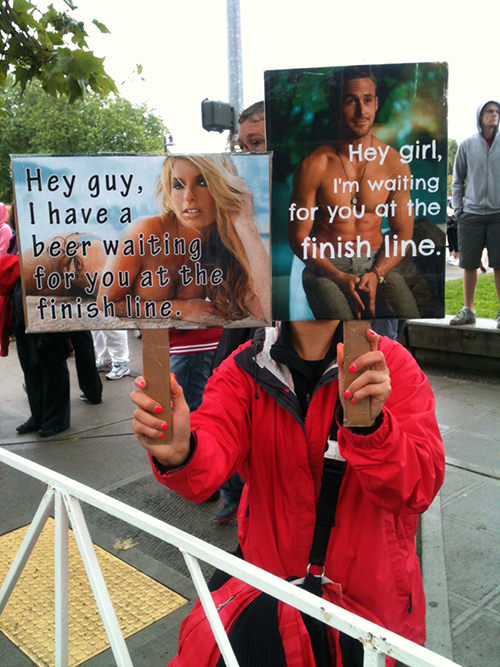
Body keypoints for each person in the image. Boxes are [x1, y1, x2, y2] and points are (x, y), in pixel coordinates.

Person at [130, 320, 444, 665]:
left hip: (370, 608)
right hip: (272, 600)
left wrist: (374, 430)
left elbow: (419, 487)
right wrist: (182, 451)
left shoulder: (391, 365)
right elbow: (209, 457)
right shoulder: (244, 368)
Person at [289, 67, 419, 322]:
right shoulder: (315, 165)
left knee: (412, 319)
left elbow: (403, 233)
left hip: (376, 264)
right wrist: (337, 276)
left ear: (376, 103)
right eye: (351, 101)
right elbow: (299, 237)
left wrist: (377, 273)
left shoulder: (394, 163)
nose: (361, 111)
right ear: (336, 105)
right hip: (326, 267)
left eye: (367, 100)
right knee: (348, 330)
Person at [97, 155, 270, 325]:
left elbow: (266, 310)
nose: (189, 197)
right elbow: (106, 303)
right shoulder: (145, 231)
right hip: (87, 260)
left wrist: (247, 227)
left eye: (202, 182)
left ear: (223, 188)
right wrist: (180, 308)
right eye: (178, 185)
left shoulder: (226, 243)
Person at [450, 100, 500, 328]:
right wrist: (459, 209)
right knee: (469, 264)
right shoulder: (467, 145)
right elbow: (458, 178)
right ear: (480, 116)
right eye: (489, 111)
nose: (494, 114)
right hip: (471, 214)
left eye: (497, 111)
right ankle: (468, 309)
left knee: (499, 264)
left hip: (498, 214)